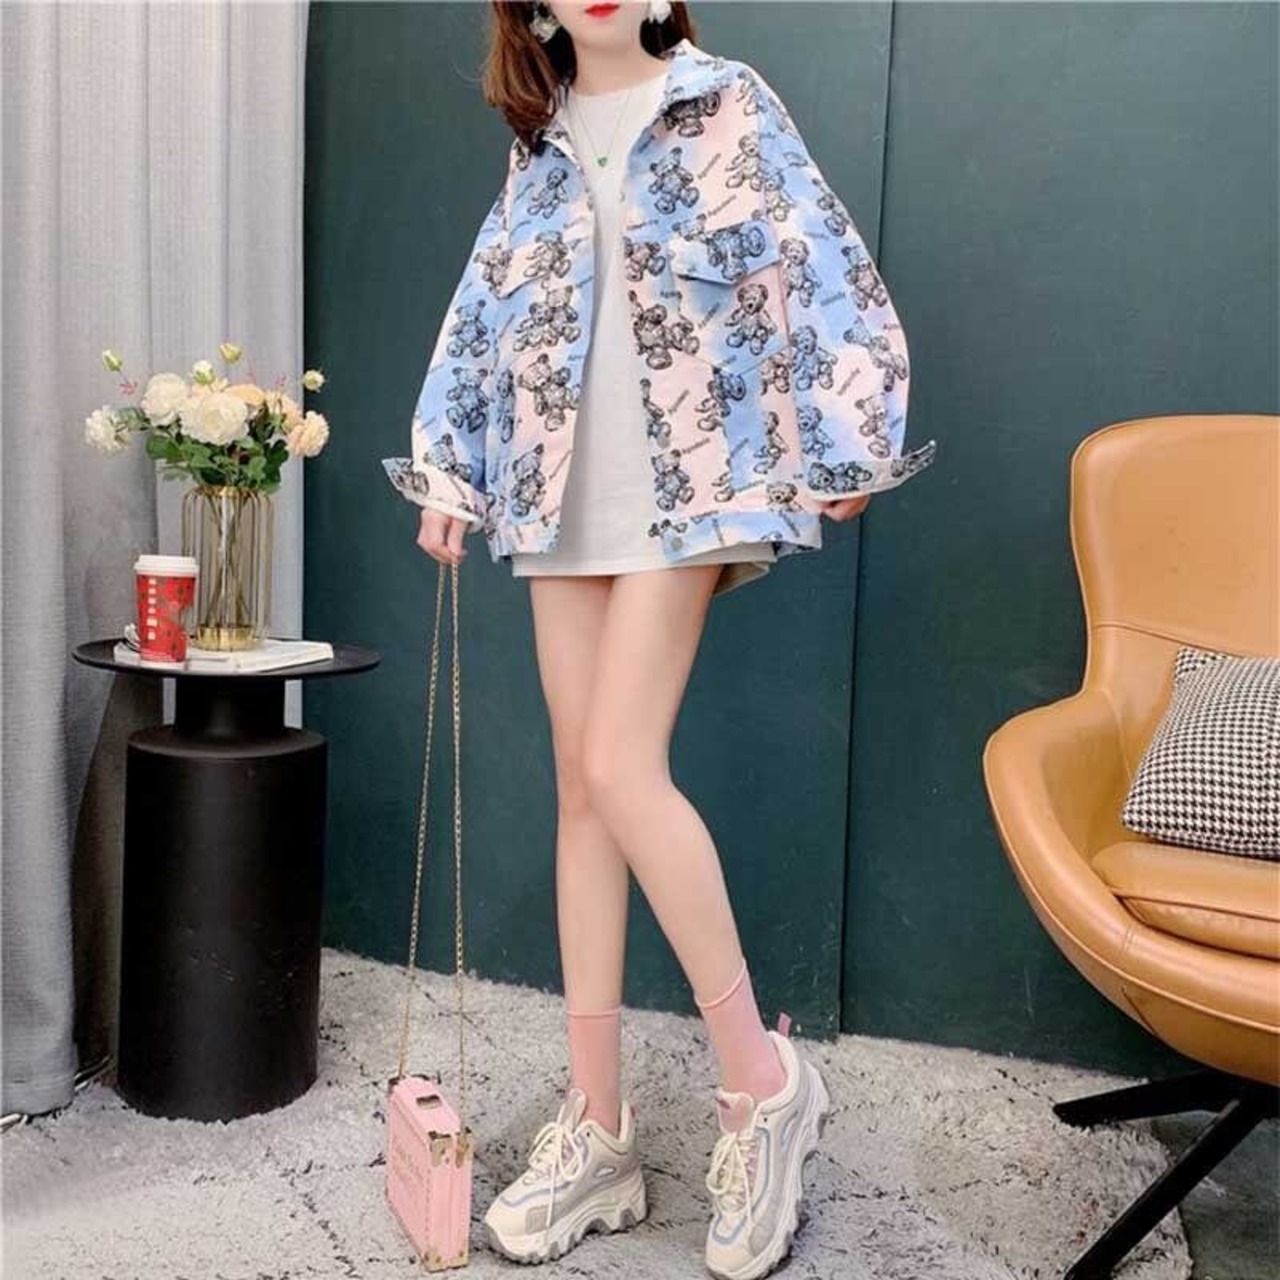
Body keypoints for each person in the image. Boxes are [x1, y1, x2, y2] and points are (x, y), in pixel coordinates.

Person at [387, 3, 937, 1276]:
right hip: (559, 492)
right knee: (582, 792)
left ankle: (760, 1081)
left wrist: (852, 433)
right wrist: (450, 471)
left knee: (623, 767)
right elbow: (484, 315)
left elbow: (819, 255)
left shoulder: (726, 101)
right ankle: (599, 1123)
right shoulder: (537, 145)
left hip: (690, 488)